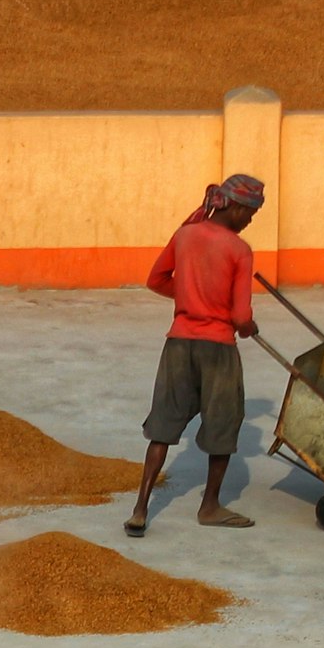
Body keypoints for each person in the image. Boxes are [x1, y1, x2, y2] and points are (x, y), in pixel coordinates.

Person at [124, 174, 264, 536]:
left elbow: (156, 280)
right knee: (223, 425)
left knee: (163, 426)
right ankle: (210, 506)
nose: (250, 220)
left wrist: (188, 298)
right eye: (249, 212)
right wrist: (248, 328)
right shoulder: (240, 250)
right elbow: (240, 316)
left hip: (179, 345)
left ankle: (140, 508)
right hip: (218, 349)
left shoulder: (184, 235)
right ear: (232, 206)